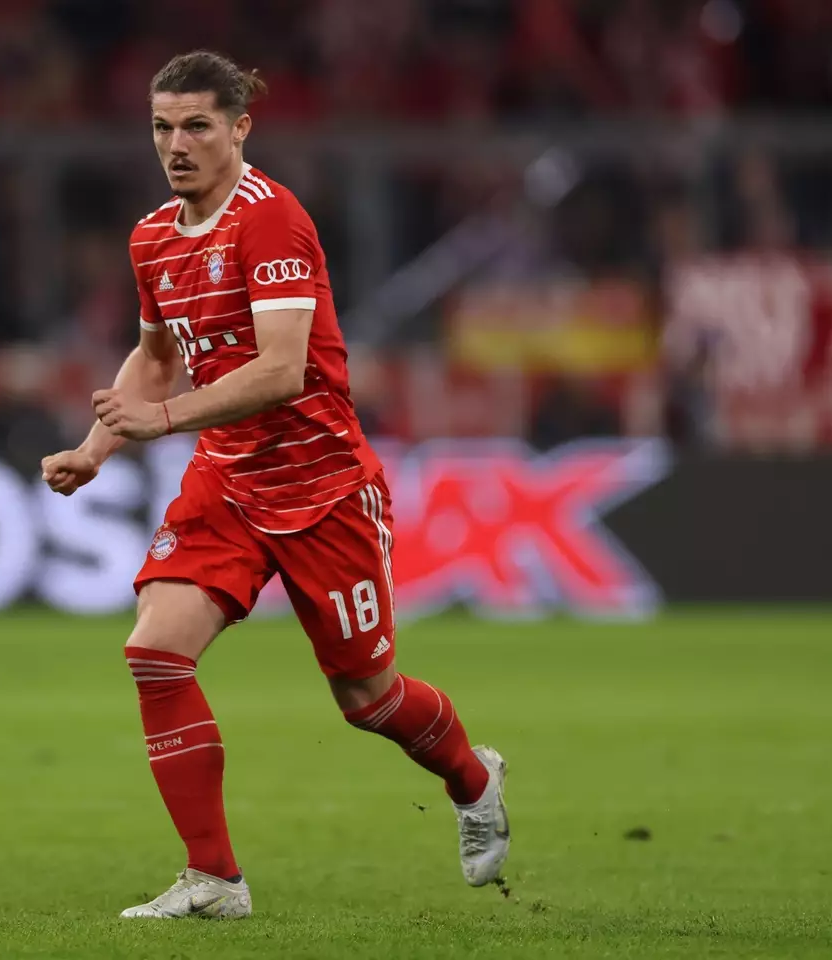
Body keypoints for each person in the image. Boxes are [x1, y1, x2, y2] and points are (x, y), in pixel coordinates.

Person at [41, 51, 509, 920]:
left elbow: (284, 370)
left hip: (323, 487)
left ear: (240, 128)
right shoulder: (151, 237)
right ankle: (214, 878)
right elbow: (153, 359)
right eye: (161, 127)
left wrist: (167, 420)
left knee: (367, 701)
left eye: (196, 127)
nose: (175, 145)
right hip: (227, 481)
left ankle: (475, 779)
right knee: (154, 652)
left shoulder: (271, 220)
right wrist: (94, 448)